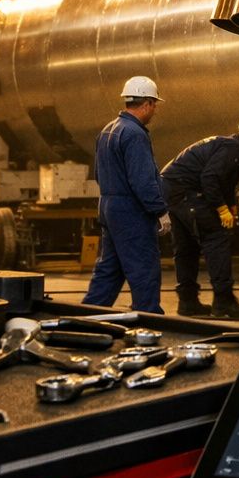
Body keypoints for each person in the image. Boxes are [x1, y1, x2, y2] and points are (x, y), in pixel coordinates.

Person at [160, 115, 239, 319]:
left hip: (173, 193)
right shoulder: (233, 150)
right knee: (216, 239)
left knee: (186, 248)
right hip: (187, 193)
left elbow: (224, 181)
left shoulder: (228, 146)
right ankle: (223, 301)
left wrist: (231, 205)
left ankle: (188, 302)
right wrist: (221, 209)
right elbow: (210, 178)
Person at [83, 76, 171, 313]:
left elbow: (99, 174)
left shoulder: (107, 130)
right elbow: (142, 180)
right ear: (147, 104)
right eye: (154, 105)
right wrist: (160, 211)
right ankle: (148, 318)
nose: (155, 111)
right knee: (144, 269)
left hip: (109, 208)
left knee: (109, 270)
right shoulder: (134, 134)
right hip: (132, 213)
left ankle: (86, 317)